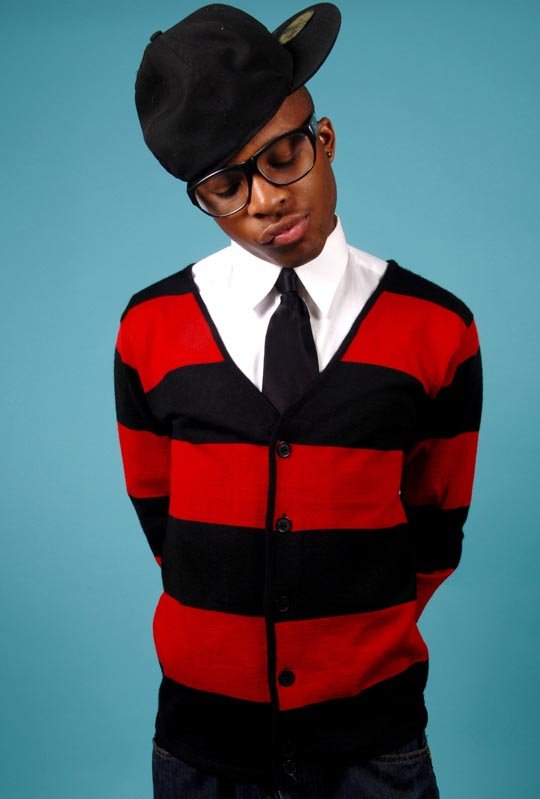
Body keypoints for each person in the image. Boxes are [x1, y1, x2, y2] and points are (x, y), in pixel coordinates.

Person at [114, 4, 482, 797]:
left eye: (283, 157)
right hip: (202, 744)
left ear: (326, 140)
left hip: (373, 741)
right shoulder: (149, 326)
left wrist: (352, 634)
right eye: (225, 185)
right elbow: (161, 515)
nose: (265, 201)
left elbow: (436, 526)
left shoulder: (438, 326)